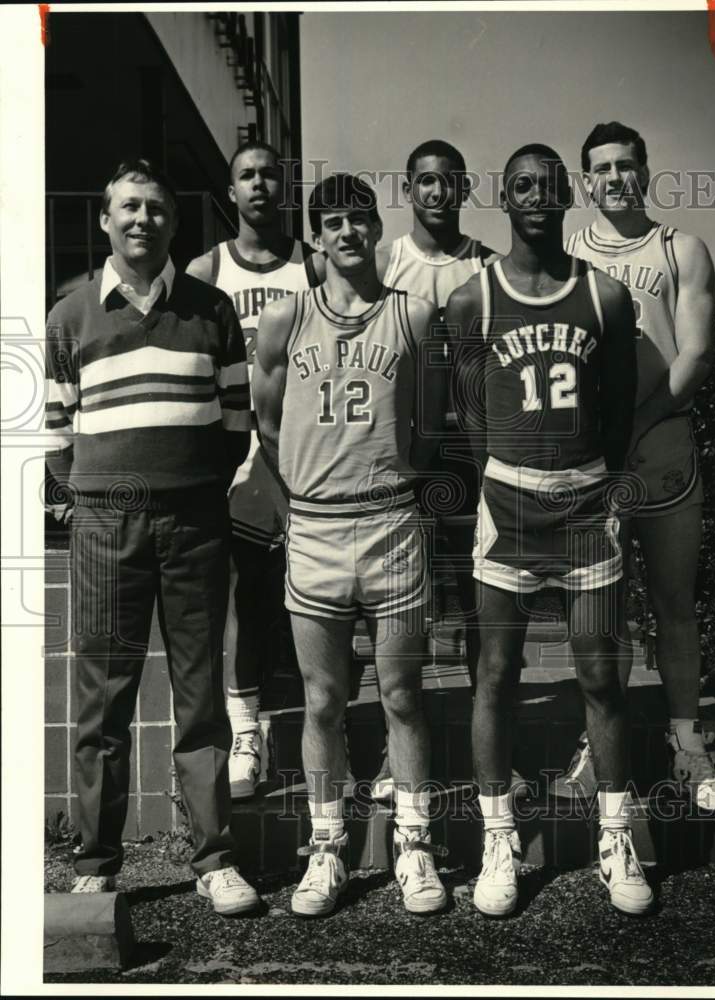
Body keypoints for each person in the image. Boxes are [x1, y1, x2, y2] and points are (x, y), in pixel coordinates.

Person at [45, 159, 259, 914]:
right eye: (128, 208)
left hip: (195, 521)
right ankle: (98, 860)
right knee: (103, 700)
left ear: (173, 222)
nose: (143, 219)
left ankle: (213, 859)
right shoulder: (69, 316)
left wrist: (189, 485)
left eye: (157, 209)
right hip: (105, 524)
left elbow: (236, 422)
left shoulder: (212, 310)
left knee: (199, 697)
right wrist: (97, 498)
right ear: (105, 221)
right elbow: (56, 431)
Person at [449, 144, 653, 917]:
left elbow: (619, 405)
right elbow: (469, 412)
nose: (537, 195)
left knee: (601, 676)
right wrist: (500, 477)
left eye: (548, 184)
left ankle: (614, 833)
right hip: (507, 505)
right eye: (522, 185)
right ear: (503, 198)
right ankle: (496, 836)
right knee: (494, 676)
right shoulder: (473, 301)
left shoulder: (603, 296)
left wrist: (594, 482)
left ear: (568, 195)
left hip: (582, 508)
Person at [254, 173, 449, 917]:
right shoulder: (284, 318)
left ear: (376, 229)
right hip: (315, 527)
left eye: (358, 220)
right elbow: (267, 425)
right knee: (322, 699)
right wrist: (300, 501)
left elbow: (430, 424)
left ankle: (414, 845)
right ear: (316, 236)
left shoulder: (413, 315)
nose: (346, 233)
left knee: (401, 695)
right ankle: (327, 847)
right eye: (331, 222)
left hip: (391, 521)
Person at [553, 122, 715, 811]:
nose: (616, 177)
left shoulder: (680, 249)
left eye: (627, 164)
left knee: (674, 607)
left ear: (645, 172)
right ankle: (602, 745)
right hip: (595, 463)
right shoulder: (567, 255)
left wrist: (637, 423)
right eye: (601, 168)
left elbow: (692, 356)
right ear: (586, 181)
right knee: (602, 615)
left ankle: (687, 744)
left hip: (662, 452)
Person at [370, 139, 514, 801]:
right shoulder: (383, 261)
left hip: (470, 450)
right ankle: (391, 756)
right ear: (410, 188)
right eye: (424, 182)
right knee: (402, 610)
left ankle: (491, 753)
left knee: (478, 601)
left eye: (447, 182)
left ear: (461, 189)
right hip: (400, 451)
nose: (436, 193)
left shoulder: (486, 266)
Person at [187, 140, 317, 799]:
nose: (259, 184)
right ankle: (246, 728)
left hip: (305, 446)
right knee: (242, 588)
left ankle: (333, 729)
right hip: (236, 447)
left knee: (321, 594)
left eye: (269, 174)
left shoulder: (314, 267)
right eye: (246, 175)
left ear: (284, 186)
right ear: (230, 192)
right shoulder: (206, 269)